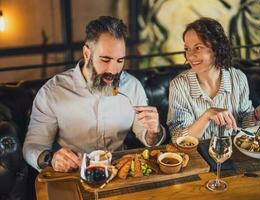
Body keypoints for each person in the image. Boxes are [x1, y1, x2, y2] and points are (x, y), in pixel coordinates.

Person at [23, 16, 165, 172]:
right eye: (105, 59)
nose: (113, 70)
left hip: (119, 171)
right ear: (86, 53)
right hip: (75, 173)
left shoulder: (132, 87)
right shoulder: (53, 92)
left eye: (120, 61)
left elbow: (149, 139)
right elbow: (32, 146)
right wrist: (51, 159)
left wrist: (154, 131)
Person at [167, 17, 260, 142]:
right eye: (187, 48)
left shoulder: (238, 78)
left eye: (198, 47)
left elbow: (243, 121)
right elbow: (178, 137)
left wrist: (256, 115)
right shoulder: (179, 85)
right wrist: (207, 115)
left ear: (216, 48)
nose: (190, 56)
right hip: (196, 157)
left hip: (232, 152)